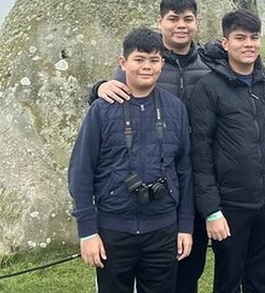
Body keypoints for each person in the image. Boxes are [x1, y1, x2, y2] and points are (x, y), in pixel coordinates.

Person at [89, 0, 211, 293]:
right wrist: (98, 88)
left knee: (187, 269)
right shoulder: (146, 61)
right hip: (142, 190)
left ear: (196, 22)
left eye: (187, 19)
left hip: (193, 180)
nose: (180, 25)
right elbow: (116, 93)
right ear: (161, 22)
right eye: (173, 19)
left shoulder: (210, 63)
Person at [68, 27, 194, 293]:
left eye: (154, 60)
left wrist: (185, 226)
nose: (147, 67)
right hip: (113, 228)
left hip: (163, 228)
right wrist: (88, 232)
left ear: (162, 63)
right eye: (139, 59)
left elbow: (184, 170)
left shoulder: (175, 109)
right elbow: (81, 172)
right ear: (123, 63)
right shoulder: (101, 110)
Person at [188, 9, 265, 293]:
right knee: (229, 280)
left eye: (254, 38)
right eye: (240, 38)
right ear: (225, 43)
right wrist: (211, 211)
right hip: (230, 206)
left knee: (263, 280)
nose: (248, 44)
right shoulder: (208, 88)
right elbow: (201, 152)